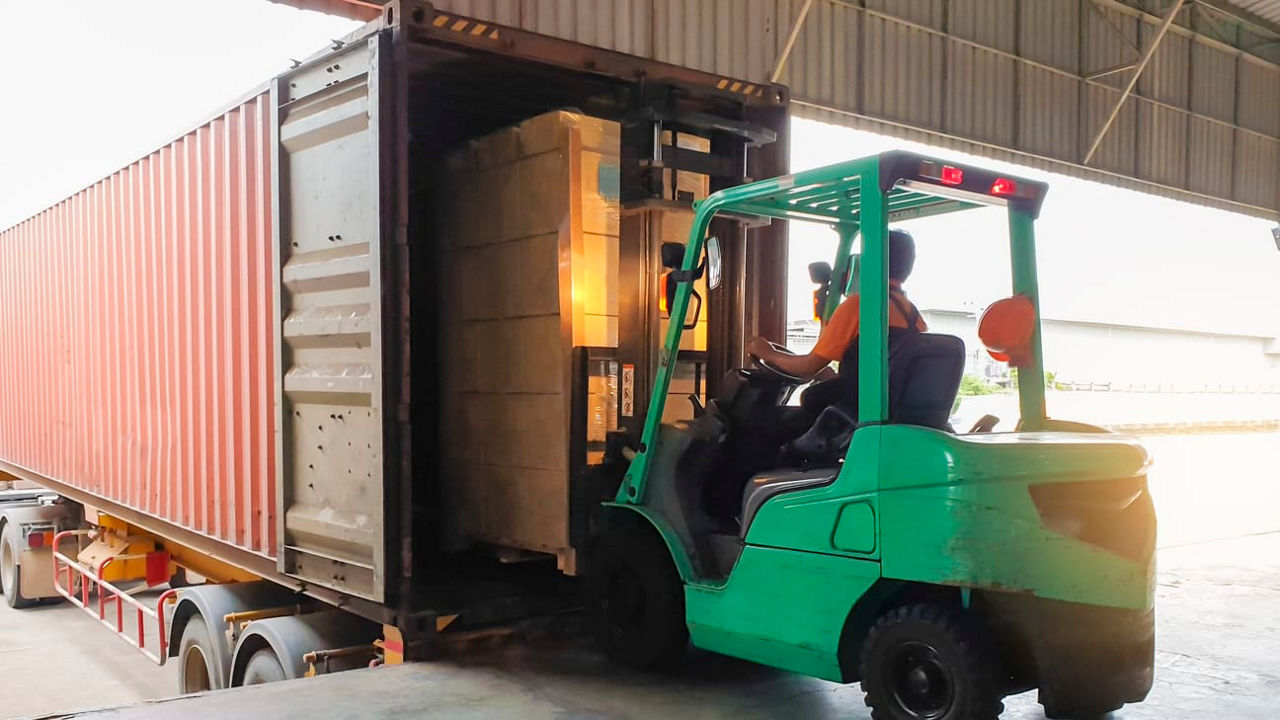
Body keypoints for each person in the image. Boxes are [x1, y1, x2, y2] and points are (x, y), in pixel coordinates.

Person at [745, 228, 927, 412]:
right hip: (884, 409)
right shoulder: (914, 317)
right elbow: (885, 375)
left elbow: (806, 368)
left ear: (871, 261)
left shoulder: (860, 306)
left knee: (777, 413)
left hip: (855, 414)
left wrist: (768, 353)